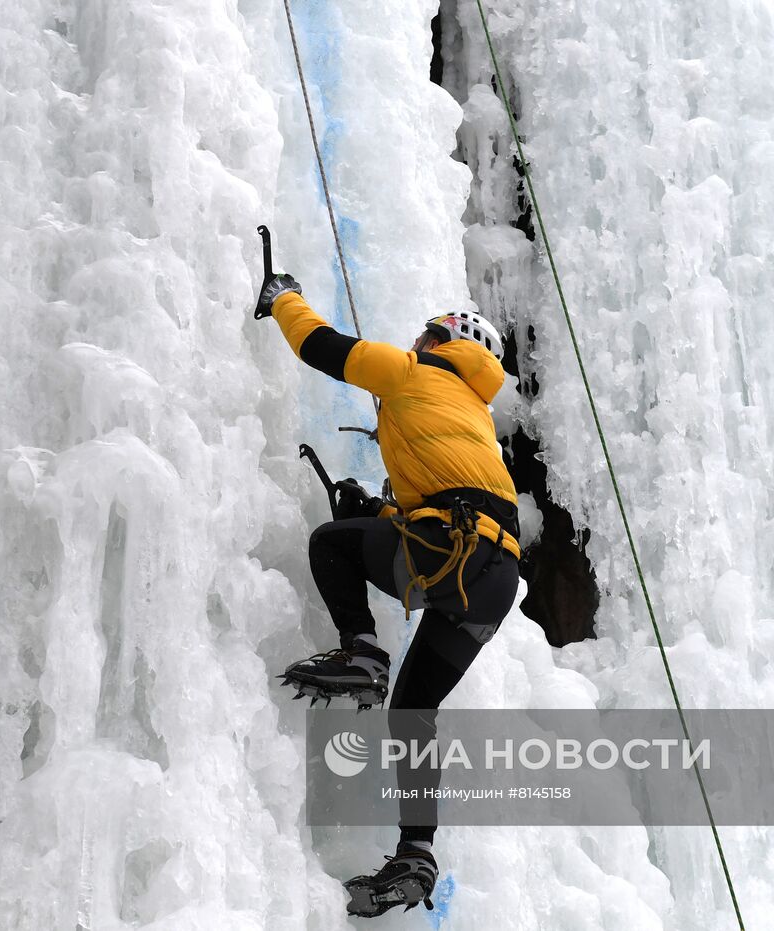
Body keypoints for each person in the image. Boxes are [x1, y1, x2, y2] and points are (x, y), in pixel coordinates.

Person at [255, 272, 521, 917]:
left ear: (442, 339)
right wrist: (378, 510)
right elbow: (452, 490)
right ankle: (417, 853)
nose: (416, 337)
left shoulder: (413, 372)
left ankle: (363, 651)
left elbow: (321, 345)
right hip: (498, 574)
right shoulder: (474, 414)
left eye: (426, 332)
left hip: (455, 549)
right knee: (414, 710)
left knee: (331, 544)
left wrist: (281, 298)